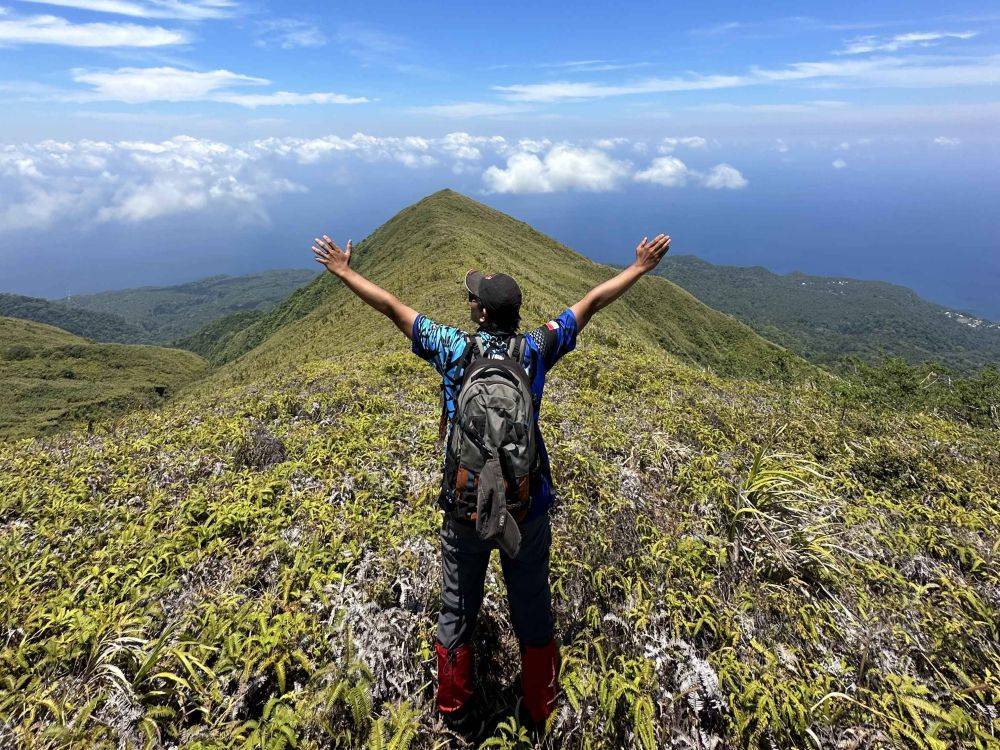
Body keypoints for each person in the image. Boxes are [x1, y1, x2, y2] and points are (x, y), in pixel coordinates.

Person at [311, 230, 672, 728]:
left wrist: (345, 272)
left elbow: (393, 308)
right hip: (528, 505)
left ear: (482, 314)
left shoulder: (454, 348)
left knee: (457, 610)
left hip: (464, 505)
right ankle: (543, 712)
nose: (469, 300)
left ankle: (455, 717)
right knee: (533, 609)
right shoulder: (535, 348)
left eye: (473, 297)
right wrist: (638, 268)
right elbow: (589, 303)